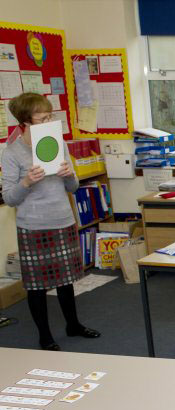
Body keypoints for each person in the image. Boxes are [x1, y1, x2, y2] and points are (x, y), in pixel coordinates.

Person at [1, 93, 100, 351]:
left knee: (66, 280)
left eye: (49, 116)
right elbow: (10, 198)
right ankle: (44, 336)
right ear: (25, 122)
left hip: (62, 220)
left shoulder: (57, 143)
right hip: (33, 226)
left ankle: (73, 325)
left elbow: (73, 185)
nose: (48, 122)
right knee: (36, 286)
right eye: (42, 118)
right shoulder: (12, 153)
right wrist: (26, 182)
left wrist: (69, 175)